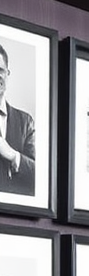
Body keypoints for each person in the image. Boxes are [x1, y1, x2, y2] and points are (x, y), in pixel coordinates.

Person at [0, 42, 37, 198]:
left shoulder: (26, 122)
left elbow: (41, 177)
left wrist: (13, 155)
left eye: (0, 70)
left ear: (8, 74)